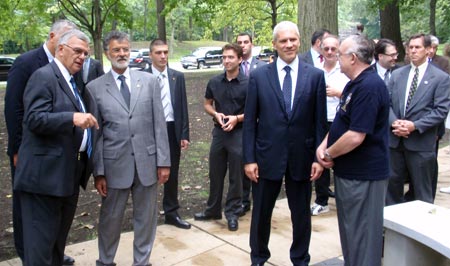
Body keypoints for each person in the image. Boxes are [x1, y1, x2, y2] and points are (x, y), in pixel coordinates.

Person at [243, 21, 327, 265]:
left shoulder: (315, 77)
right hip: (266, 157)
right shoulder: (259, 77)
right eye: (283, 41)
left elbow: (319, 123)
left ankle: (300, 258)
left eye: (293, 40)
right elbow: (250, 122)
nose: (289, 44)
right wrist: (249, 159)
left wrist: (318, 158)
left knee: (301, 215)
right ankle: (258, 257)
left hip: (302, 158)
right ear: (274, 44)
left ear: (299, 41)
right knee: (260, 214)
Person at [13, 29, 98, 266]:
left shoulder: (73, 82)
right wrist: (72, 117)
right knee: (40, 252)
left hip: (67, 177)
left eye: (86, 53)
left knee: (56, 249)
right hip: (44, 180)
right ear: (60, 49)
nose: (82, 57)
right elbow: (34, 118)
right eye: (77, 51)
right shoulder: (44, 76)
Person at [86, 30, 170, 266]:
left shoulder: (150, 81)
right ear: (106, 53)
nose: (122, 53)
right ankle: (105, 260)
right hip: (114, 167)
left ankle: (141, 262)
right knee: (110, 219)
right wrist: (99, 171)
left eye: (125, 49)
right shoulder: (95, 88)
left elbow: (159, 125)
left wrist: (163, 162)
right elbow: (96, 134)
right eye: (116, 50)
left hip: (148, 164)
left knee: (146, 219)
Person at [4, 19, 79, 265]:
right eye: (70, 39)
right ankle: (29, 253)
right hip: (33, 155)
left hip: (60, 161)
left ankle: (49, 254)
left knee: (52, 225)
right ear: (54, 38)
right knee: (31, 216)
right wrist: (17, 149)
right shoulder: (28, 64)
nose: (79, 52)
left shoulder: (70, 71)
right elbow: (16, 110)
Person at [316, 34, 390, 266]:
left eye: (340, 54)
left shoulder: (369, 87)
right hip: (350, 173)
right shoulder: (354, 84)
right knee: (351, 234)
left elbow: (356, 136)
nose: (337, 59)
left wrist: (329, 154)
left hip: (364, 176)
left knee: (363, 236)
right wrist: (324, 143)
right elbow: (343, 121)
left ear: (353, 58)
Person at [386, 33, 450, 205]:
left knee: (422, 191)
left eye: (417, 47)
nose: (413, 51)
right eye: (410, 47)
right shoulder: (397, 74)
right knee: (391, 188)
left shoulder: (440, 78)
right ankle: (391, 227)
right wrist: (394, 122)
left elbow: (441, 110)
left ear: (428, 50)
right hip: (395, 142)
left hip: (421, 143)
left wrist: (414, 126)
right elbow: (386, 103)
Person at [194, 43, 247, 232]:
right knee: (215, 173)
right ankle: (213, 209)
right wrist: (215, 114)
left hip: (239, 133)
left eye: (231, 57)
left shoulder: (249, 83)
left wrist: (237, 118)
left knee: (236, 176)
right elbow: (207, 104)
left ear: (240, 59)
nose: (226, 60)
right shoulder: (215, 81)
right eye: (224, 57)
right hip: (219, 133)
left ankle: (232, 213)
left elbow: (255, 112)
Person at [145, 39, 191, 229]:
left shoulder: (176, 77)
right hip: (149, 130)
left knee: (172, 173)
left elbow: (182, 107)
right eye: (158, 53)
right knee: (148, 172)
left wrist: (184, 134)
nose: (163, 56)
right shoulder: (141, 77)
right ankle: (146, 216)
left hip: (171, 128)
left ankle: (171, 212)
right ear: (150, 55)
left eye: (165, 52)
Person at [311, 35, 349, 216]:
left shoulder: (345, 71)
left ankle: (344, 202)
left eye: (334, 49)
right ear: (320, 49)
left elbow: (355, 96)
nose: (330, 52)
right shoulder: (315, 71)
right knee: (320, 159)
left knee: (340, 161)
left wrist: (338, 93)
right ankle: (321, 200)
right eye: (326, 49)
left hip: (339, 121)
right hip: (319, 120)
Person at [235, 32, 265, 215]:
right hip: (240, 125)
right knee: (244, 162)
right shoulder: (231, 67)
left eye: (246, 42)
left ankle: (260, 199)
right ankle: (243, 201)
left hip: (260, 122)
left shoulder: (261, 67)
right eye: (239, 43)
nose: (243, 45)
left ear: (252, 44)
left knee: (258, 161)